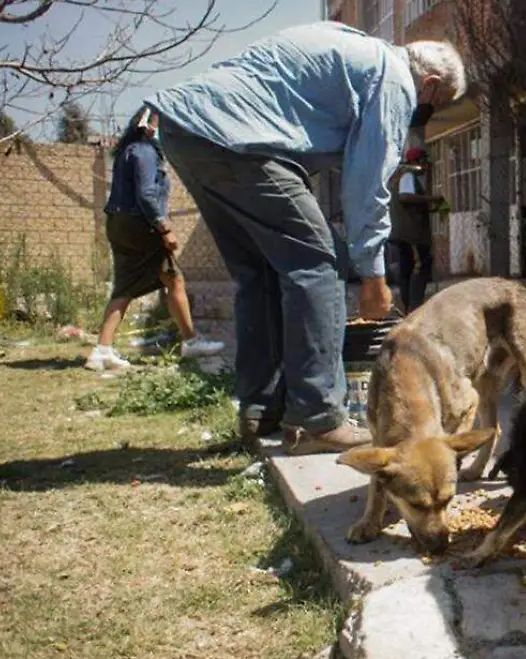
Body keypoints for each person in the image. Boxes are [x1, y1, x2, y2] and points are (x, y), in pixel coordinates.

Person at [143, 22, 466, 454]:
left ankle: (261, 408)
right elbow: (367, 185)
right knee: (319, 262)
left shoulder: (356, 50)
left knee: (258, 270)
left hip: (188, 128)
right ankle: (318, 418)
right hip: (241, 139)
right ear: (428, 84)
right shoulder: (394, 81)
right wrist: (373, 276)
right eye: (436, 105)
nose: (425, 116)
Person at [86, 107, 224, 371]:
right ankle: (191, 341)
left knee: (127, 286)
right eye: (162, 124)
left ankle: (102, 349)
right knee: (175, 278)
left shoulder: (128, 151)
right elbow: (147, 195)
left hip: (120, 223)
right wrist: (164, 228)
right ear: (148, 125)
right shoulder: (145, 152)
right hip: (142, 225)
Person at [393, 145, 445, 314]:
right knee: (419, 265)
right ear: (416, 161)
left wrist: (430, 208)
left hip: (408, 232)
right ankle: (414, 308)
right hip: (412, 234)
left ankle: (410, 308)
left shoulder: (406, 176)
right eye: (424, 160)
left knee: (408, 268)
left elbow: (411, 205)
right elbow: (405, 197)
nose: (426, 165)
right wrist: (432, 198)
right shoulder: (408, 175)